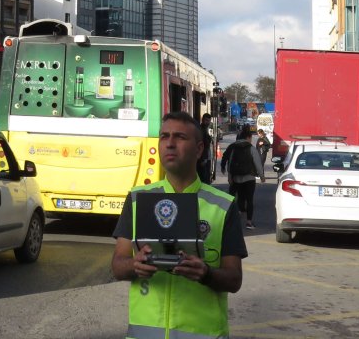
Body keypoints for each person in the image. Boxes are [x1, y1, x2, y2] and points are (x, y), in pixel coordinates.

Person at [111, 111, 246, 338]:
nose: (170, 144)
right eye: (164, 136)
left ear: (199, 149)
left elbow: (234, 280)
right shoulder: (137, 199)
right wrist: (135, 265)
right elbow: (117, 265)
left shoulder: (223, 205)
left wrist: (205, 274)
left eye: (180, 137)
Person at [220, 127, 259, 229]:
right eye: (250, 137)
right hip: (249, 178)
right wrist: (261, 176)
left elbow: (228, 159)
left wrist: (227, 173)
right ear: (248, 137)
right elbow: (258, 162)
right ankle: (249, 222)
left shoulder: (233, 147)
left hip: (236, 177)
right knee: (249, 200)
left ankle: (230, 219)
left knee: (233, 197)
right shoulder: (251, 148)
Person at [197, 114, 215, 184]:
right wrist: (203, 159)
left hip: (206, 158)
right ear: (203, 120)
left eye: (209, 121)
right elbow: (202, 145)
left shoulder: (205, 129)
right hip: (204, 159)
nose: (208, 122)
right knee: (204, 179)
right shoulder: (201, 130)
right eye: (206, 120)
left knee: (206, 177)